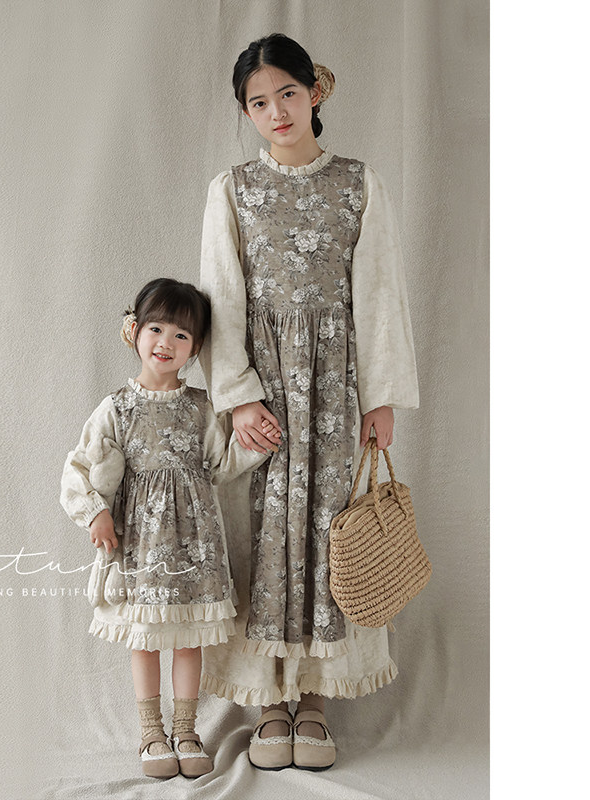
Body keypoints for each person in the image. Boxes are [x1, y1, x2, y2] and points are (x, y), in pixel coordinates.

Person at [197, 33, 419, 772]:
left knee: (328, 531)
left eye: (287, 94)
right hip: (264, 393)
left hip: (334, 391)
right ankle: (268, 700)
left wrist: (380, 397)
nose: (276, 112)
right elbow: (221, 297)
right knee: (264, 533)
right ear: (247, 113)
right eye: (258, 103)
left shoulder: (359, 183)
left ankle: (316, 699)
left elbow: (379, 294)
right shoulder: (232, 190)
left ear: (314, 92)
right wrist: (237, 399)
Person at [60, 278, 273, 779]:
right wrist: (95, 512)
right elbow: (79, 467)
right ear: (133, 331)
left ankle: (186, 729)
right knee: (145, 638)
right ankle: (151, 732)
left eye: (181, 335)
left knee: (188, 639)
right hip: (140, 545)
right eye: (156, 329)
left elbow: (221, 464)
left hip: (195, 546)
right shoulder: (117, 408)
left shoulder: (201, 407)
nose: (166, 342)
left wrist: (256, 442)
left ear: (195, 349)